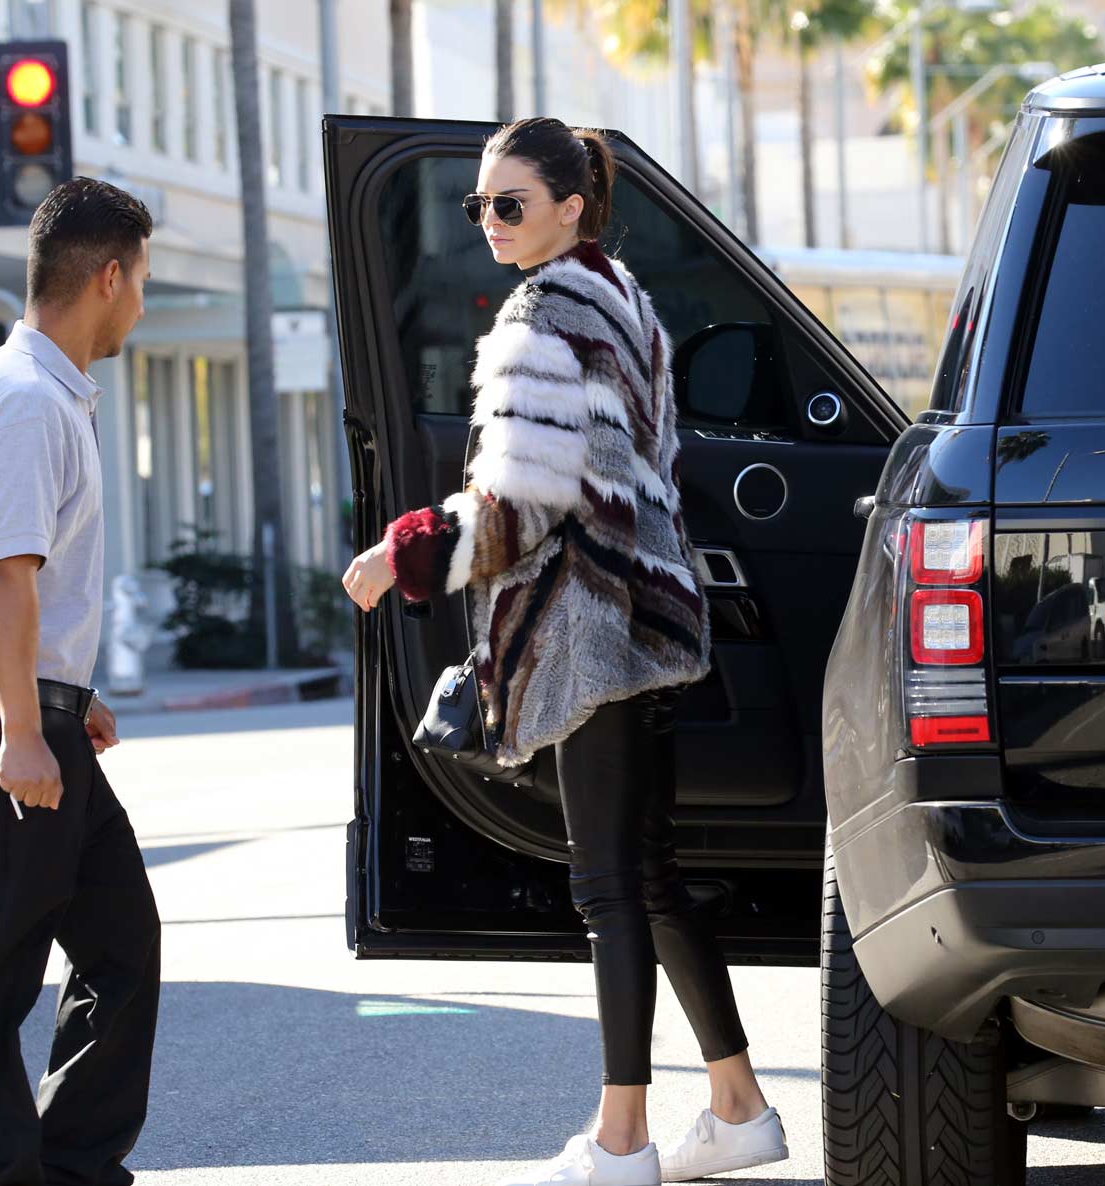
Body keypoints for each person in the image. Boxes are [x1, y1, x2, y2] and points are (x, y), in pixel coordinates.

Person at [340, 117, 788, 1186]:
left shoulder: (537, 320)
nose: (490, 224)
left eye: (510, 205)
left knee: (607, 887)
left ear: (570, 206)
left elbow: (519, 504)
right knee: (651, 874)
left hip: (586, 627)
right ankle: (737, 1106)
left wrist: (399, 553)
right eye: (479, 207)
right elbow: (645, 465)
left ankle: (623, 1140)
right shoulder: (625, 301)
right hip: (650, 613)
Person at [0, 177, 160, 1186]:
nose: (140, 303)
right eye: (139, 280)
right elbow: (4, 578)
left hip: (40, 713)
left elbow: (32, 587)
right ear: (108, 276)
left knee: (121, 941)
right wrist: (23, 725)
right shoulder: (25, 399)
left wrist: (67, 690)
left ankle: (68, 1168)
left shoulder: (50, 391)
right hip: (6, 728)